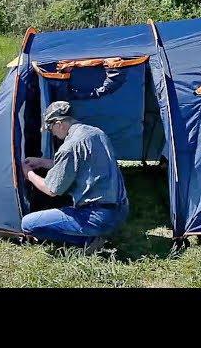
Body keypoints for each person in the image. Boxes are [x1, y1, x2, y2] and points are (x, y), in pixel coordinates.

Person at [20, 101, 129, 253]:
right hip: (120, 211)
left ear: (59, 124)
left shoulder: (69, 146)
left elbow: (52, 190)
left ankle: (88, 240)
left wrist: (29, 174)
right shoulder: (97, 133)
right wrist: (42, 162)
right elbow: (79, 164)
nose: (53, 134)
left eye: (51, 129)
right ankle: (100, 232)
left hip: (96, 216)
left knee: (28, 224)